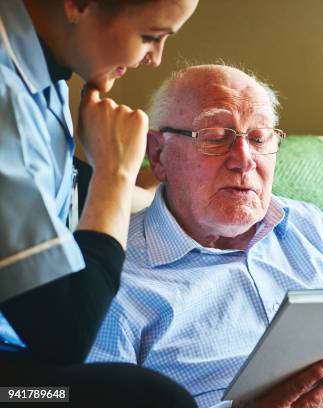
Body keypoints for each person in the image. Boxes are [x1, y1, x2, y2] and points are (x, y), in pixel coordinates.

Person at [87, 64, 323, 408]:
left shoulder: (313, 228)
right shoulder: (115, 279)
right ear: (159, 154)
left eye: (260, 138)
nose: (244, 159)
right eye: (216, 137)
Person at [0, 0, 198, 406]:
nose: (154, 60)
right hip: (15, 390)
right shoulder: (8, 97)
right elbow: (65, 334)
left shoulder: (43, 72)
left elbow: (44, 188)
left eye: (261, 137)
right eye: (150, 37)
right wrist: (114, 171)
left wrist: (135, 188)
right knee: (149, 399)